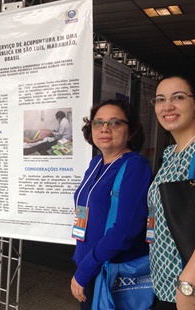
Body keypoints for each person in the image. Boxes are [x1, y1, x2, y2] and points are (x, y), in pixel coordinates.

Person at [70, 99, 152, 309]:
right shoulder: (96, 162)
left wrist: (84, 271)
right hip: (89, 264)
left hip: (111, 270)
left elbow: (123, 231)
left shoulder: (135, 166)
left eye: (115, 123)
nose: (105, 128)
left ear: (130, 131)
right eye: (98, 123)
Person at [148, 72, 195, 309]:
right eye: (160, 99)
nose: (168, 106)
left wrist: (188, 285)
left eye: (178, 97)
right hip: (165, 289)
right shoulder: (170, 154)